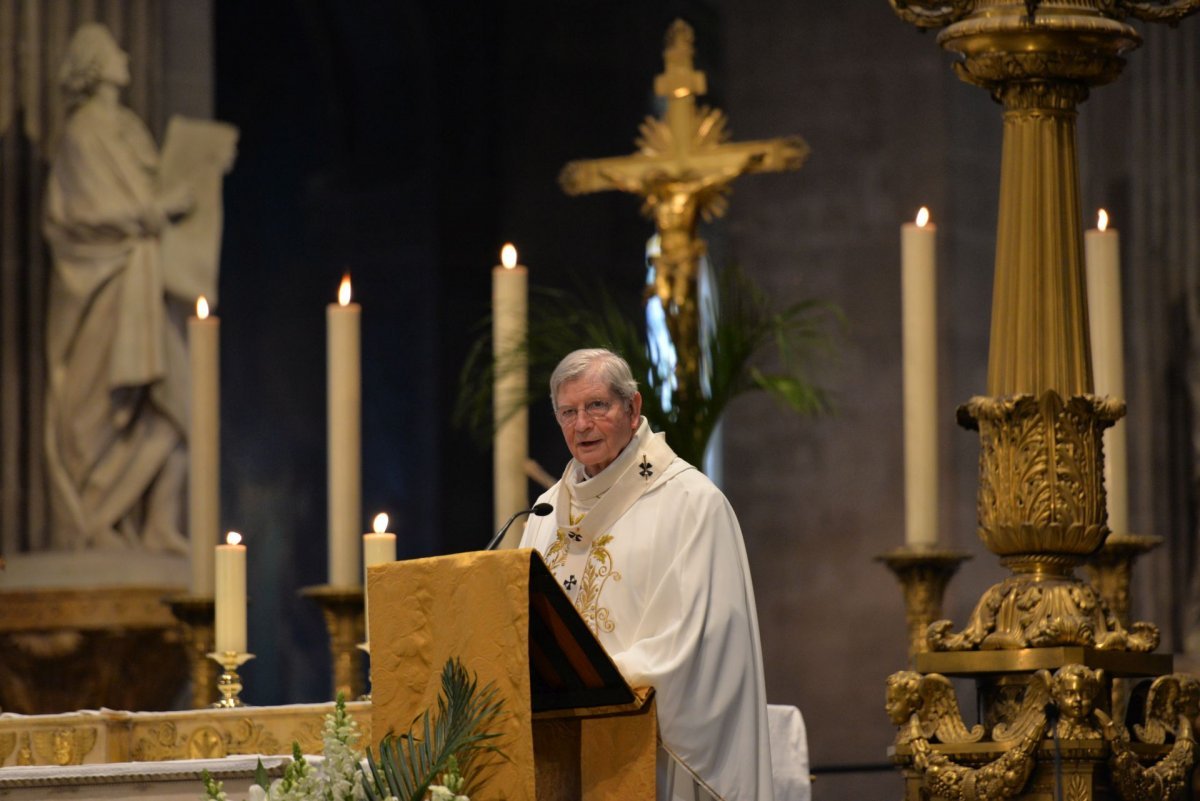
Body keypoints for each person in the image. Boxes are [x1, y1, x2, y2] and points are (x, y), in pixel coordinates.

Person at [519, 348, 774, 801]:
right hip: (559, 748)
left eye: (597, 406)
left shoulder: (692, 504)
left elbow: (704, 642)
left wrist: (595, 678)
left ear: (633, 409)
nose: (582, 425)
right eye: (568, 412)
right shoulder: (544, 513)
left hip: (652, 753)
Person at [42, 23, 195, 552]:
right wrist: (155, 210)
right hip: (103, 285)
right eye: (113, 49)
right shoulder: (84, 132)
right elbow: (83, 212)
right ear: (93, 63)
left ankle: (157, 523)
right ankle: (92, 521)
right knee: (95, 414)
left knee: (183, 410)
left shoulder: (127, 127)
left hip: (144, 284)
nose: (125, 55)